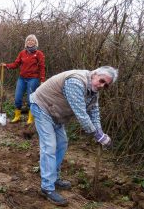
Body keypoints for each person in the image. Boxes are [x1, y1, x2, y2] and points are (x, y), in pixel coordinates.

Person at [30, 66, 118, 206]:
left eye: (106, 85)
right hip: (43, 106)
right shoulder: (76, 82)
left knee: (62, 143)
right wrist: (97, 136)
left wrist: (100, 133)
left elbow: (94, 111)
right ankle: (47, 187)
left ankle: (54, 177)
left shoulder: (93, 91)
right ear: (94, 74)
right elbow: (81, 114)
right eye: (101, 81)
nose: (102, 85)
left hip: (56, 113)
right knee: (49, 146)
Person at [1, 34, 45, 124]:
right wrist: (6, 66)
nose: (30, 42)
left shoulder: (39, 54)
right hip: (22, 78)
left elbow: (42, 67)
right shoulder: (22, 53)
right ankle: (17, 116)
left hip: (33, 79)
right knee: (17, 98)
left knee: (30, 99)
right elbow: (16, 64)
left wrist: (42, 79)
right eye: (28, 40)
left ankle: (30, 118)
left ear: (35, 42)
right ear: (26, 42)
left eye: (32, 40)